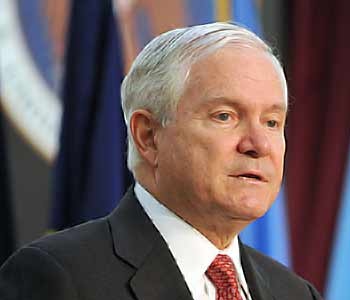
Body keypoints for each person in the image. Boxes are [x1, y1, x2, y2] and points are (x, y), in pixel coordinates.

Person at [0, 22, 322, 300]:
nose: (259, 145)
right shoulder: (62, 278)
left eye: (272, 122)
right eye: (225, 116)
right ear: (148, 136)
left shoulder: (294, 293)